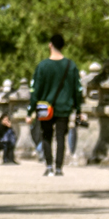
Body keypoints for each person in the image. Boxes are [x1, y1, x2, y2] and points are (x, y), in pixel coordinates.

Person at [27, 33, 83, 176]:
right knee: (60, 137)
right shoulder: (71, 66)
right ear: (62, 46)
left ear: (50, 45)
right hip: (64, 107)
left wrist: (30, 111)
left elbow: (35, 90)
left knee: (46, 136)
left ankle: (49, 166)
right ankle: (59, 168)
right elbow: (77, 90)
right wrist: (78, 109)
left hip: (44, 106)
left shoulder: (42, 66)